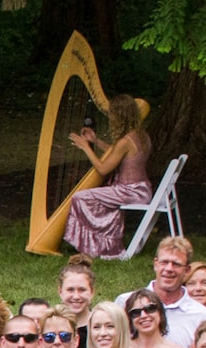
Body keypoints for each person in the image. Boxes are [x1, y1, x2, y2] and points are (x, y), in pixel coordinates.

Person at [63, 95, 153, 259]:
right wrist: (95, 141)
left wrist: (86, 148)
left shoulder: (125, 141)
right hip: (142, 190)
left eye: (112, 115)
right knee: (97, 198)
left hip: (129, 191)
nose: (110, 119)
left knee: (80, 198)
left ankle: (98, 246)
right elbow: (116, 154)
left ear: (119, 116)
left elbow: (103, 169)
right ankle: (103, 244)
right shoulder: (141, 135)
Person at [117, 235, 206, 346]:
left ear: (187, 270)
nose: (169, 269)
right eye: (164, 262)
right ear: (156, 264)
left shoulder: (200, 315)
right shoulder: (125, 302)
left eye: (176, 264)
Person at [57, 259, 95, 348]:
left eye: (82, 290)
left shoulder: (99, 326)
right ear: (60, 291)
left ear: (92, 291)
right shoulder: (51, 324)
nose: (76, 296)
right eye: (70, 290)